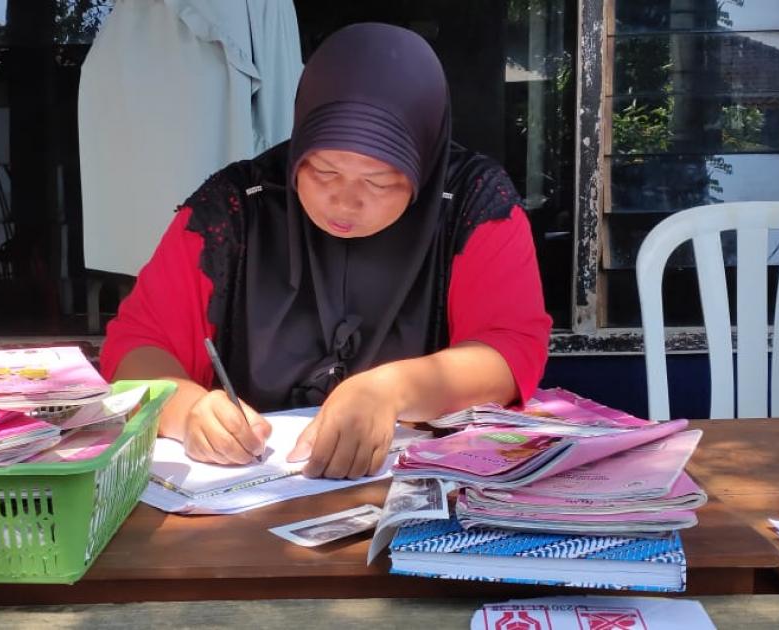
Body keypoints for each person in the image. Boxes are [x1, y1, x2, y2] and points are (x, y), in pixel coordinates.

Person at [100, 23, 551, 479]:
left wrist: (392, 390)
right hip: (248, 489)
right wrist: (187, 409)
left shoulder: (471, 203)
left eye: (378, 182)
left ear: (424, 163)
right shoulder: (236, 206)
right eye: (323, 171)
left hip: (419, 491)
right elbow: (136, 346)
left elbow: (509, 349)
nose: (345, 202)